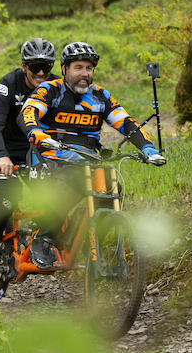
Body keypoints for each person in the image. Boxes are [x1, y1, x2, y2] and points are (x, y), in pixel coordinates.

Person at [17, 41, 166, 268]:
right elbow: (28, 113)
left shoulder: (100, 96)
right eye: (78, 67)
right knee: (68, 183)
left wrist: (148, 148)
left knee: (111, 186)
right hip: (48, 156)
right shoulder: (50, 90)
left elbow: (126, 122)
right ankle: (44, 237)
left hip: (85, 159)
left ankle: (81, 235)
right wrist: (38, 133)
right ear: (65, 69)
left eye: (89, 68)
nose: (84, 74)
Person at [0, 38, 59, 275]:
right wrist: (2, 157)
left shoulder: (56, 86)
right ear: (24, 66)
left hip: (31, 148)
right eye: (35, 67)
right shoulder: (8, 85)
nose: (41, 72)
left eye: (46, 67)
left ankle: (40, 239)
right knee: (11, 193)